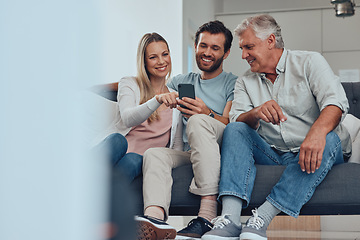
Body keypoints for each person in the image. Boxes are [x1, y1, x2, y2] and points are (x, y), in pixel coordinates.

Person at [202, 14, 352, 240]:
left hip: (318, 149)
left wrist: (316, 133)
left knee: (329, 137)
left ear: (270, 41)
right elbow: (236, 120)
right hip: (273, 153)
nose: (243, 55)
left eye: (249, 47)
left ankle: (261, 217)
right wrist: (255, 113)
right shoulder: (244, 81)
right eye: (242, 48)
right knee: (235, 129)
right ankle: (230, 220)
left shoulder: (310, 62)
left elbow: (336, 103)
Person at [135, 20, 238, 240]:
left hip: (218, 148)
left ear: (226, 53)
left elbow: (233, 125)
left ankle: (207, 216)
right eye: (203, 45)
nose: (207, 52)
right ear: (196, 45)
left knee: (197, 121)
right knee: (154, 154)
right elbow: (146, 87)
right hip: (191, 153)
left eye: (215, 48)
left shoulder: (233, 84)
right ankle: (154, 220)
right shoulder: (181, 81)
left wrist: (207, 113)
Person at [93, 32, 183, 182]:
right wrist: (157, 100)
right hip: (115, 152)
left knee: (134, 159)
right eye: (153, 57)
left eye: (165, 54)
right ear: (144, 61)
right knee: (117, 140)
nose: (161, 61)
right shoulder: (129, 84)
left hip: (138, 162)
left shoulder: (175, 98)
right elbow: (128, 118)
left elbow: (177, 145)